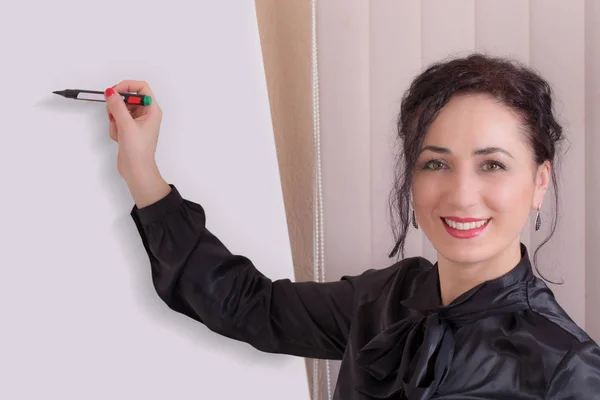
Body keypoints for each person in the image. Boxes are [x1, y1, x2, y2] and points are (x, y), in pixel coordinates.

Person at [104, 53, 600, 399]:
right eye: (435, 164)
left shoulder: (569, 368)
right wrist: (141, 170)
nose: (461, 195)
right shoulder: (386, 298)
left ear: (539, 181)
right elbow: (247, 305)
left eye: (492, 164)